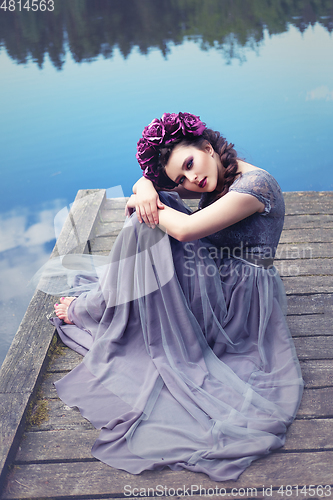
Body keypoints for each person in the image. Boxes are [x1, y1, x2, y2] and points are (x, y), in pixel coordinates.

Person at [52, 112, 303, 482]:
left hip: (240, 300)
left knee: (147, 223)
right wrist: (147, 188)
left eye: (190, 165)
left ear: (207, 147)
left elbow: (185, 230)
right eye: (183, 176)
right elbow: (157, 189)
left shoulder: (257, 185)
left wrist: (146, 201)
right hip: (216, 276)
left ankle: (98, 307)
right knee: (152, 213)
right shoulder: (215, 173)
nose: (193, 179)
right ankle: (104, 305)